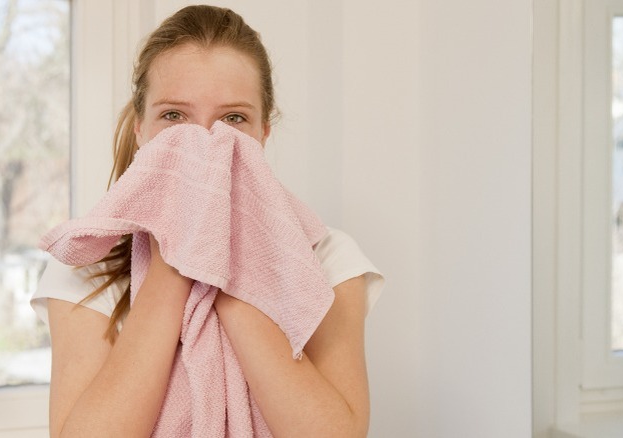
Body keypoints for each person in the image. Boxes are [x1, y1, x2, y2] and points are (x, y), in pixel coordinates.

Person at [31, 5, 384, 437]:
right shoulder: (86, 268)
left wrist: (227, 261)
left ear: (262, 134)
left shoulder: (328, 259)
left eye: (233, 119)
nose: (203, 145)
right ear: (140, 128)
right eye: (174, 117)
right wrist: (174, 264)